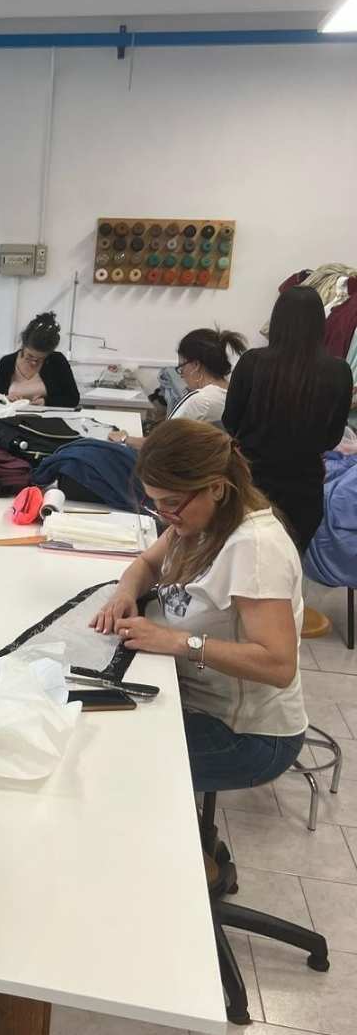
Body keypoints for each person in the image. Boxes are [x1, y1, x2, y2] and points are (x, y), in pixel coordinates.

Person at [90, 419, 306, 793]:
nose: (164, 514)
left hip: (247, 734)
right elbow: (147, 564)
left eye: (171, 503)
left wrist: (176, 641)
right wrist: (125, 593)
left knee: (105, 761)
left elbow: (279, 665)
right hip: (194, 694)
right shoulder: (199, 519)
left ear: (216, 488)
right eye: (155, 502)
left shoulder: (255, 549)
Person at [222, 286, 352, 552]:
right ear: (320, 324)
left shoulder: (251, 362)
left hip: (250, 481)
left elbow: (230, 421)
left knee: (240, 559)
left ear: (277, 320)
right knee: (287, 564)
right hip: (304, 489)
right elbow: (332, 438)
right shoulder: (339, 371)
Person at [110, 326, 246, 448]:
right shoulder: (229, 391)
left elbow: (158, 444)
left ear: (196, 365)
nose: (181, 374)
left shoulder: (201, 400)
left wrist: (124, 438)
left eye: (181, 367)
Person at [0, 311, 79, 407]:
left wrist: (47, 402)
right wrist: (5, 400)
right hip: (12, 415)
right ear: (23, 345)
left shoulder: (57, 361)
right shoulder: (6, 362)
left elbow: (73, 399)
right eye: (30, 356)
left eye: (41, 359)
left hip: (47, 416)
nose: (34, 362)